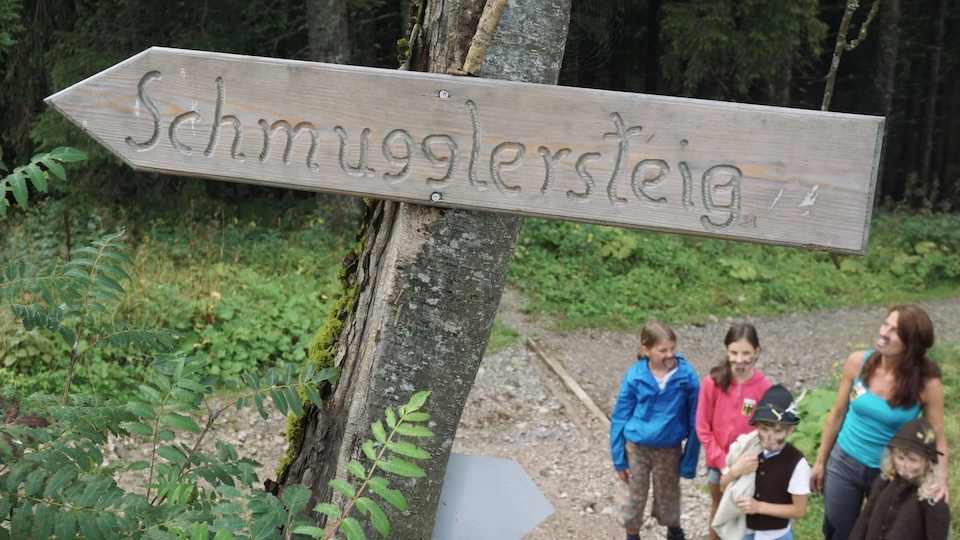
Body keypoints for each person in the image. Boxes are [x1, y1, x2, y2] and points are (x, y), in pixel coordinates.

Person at [809, 304, 948, 540]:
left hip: (891, 472)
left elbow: (937, 436)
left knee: (878, 533)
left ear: (911, 344)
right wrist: (820, 461)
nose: (884, 332)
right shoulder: (858, 362)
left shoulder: (926, 383)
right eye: (885, 324)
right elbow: (838, 413)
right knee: (839, 531)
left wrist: (939, 480)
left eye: (895, 331)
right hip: (844, 463)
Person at [610, 320, 701, 540]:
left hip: (669, 449)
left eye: (673, 348)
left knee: (668, 494)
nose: (670, 354)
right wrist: (618, 459)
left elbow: (695, 420)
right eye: (663, 350)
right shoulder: (635, 376)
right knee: (633, 495)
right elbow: (620, 416)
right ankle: (632, 535)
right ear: (646, 350)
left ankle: (674, 531)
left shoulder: (686, 377)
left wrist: (689, 462)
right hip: (636, 448)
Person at [696, 323, 772, 540]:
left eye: (747, 353)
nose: (740, 360)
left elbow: (767, 430)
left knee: (743, 516)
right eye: (734, 353)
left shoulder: (763, 387)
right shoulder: (712, 382)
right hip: (716, 464)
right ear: (726, 351)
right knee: (718, 509)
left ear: (757, 352)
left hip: (748, 465)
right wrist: (722, 462)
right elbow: (702, 427)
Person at [715, 384, 810, 540]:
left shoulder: (796, 463)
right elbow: (723, 486)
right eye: (764, 429)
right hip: (743, 532)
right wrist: (735, 471)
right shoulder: (747, 450)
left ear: (789, 430)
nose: (769, 437)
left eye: (777, 430)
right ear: (757, 426)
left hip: (776, 535)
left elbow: (799, 510)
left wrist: (759, 507)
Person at [849, 418, 950, 539]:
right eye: (900, 458)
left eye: (913, 460)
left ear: (927, 463)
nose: (904, 466)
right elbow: (865, 519)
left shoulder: (932, 497)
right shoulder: (885, 481)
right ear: (892, 456)